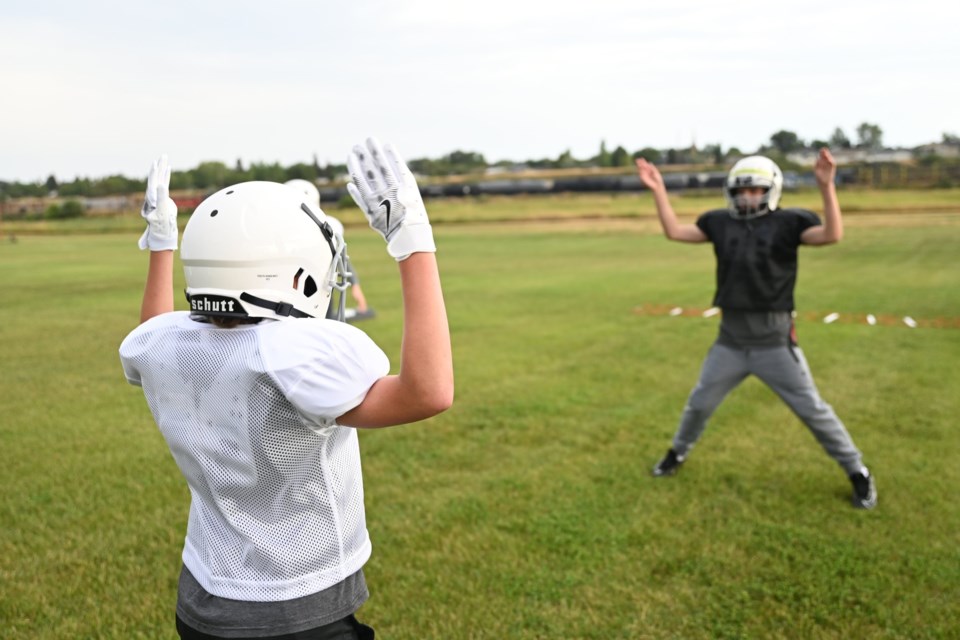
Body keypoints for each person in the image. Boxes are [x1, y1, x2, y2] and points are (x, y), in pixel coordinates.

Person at [119, 139, 453, 639]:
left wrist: (161, 243)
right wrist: (413, 242)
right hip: (299, 607)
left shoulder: (166, 344)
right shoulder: (292, 355)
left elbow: (157, 330)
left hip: (201, 599)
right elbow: (428, 392)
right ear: (294, 273)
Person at [635, 148, 877, 509]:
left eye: (756, 190)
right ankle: (677, 454)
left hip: (774, 342)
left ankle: (858, 471)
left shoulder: (789, 222)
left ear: (772, 190)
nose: (748, 197)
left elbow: (831, 235)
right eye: (742, 190)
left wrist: (826, 186)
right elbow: (674, 231)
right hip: (730, 341)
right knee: (699, 404)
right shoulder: (720, 222)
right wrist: (658, 190)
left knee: (813, 410)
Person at [284, 178, 373, 321]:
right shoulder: (278, 239)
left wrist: (355, 284)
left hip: (318, 287)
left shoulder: (325, 230)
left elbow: (339, 257)